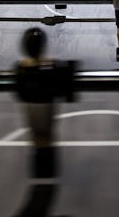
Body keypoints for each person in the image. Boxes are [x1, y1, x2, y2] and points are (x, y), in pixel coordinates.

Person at [13, 27, 75, 178]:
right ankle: (47, 169)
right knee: (46, 134)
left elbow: (19, 93)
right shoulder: (52, 66)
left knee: (36, 134)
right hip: (46, 103)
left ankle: (40, 170)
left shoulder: (20, 68)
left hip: (31, 103)